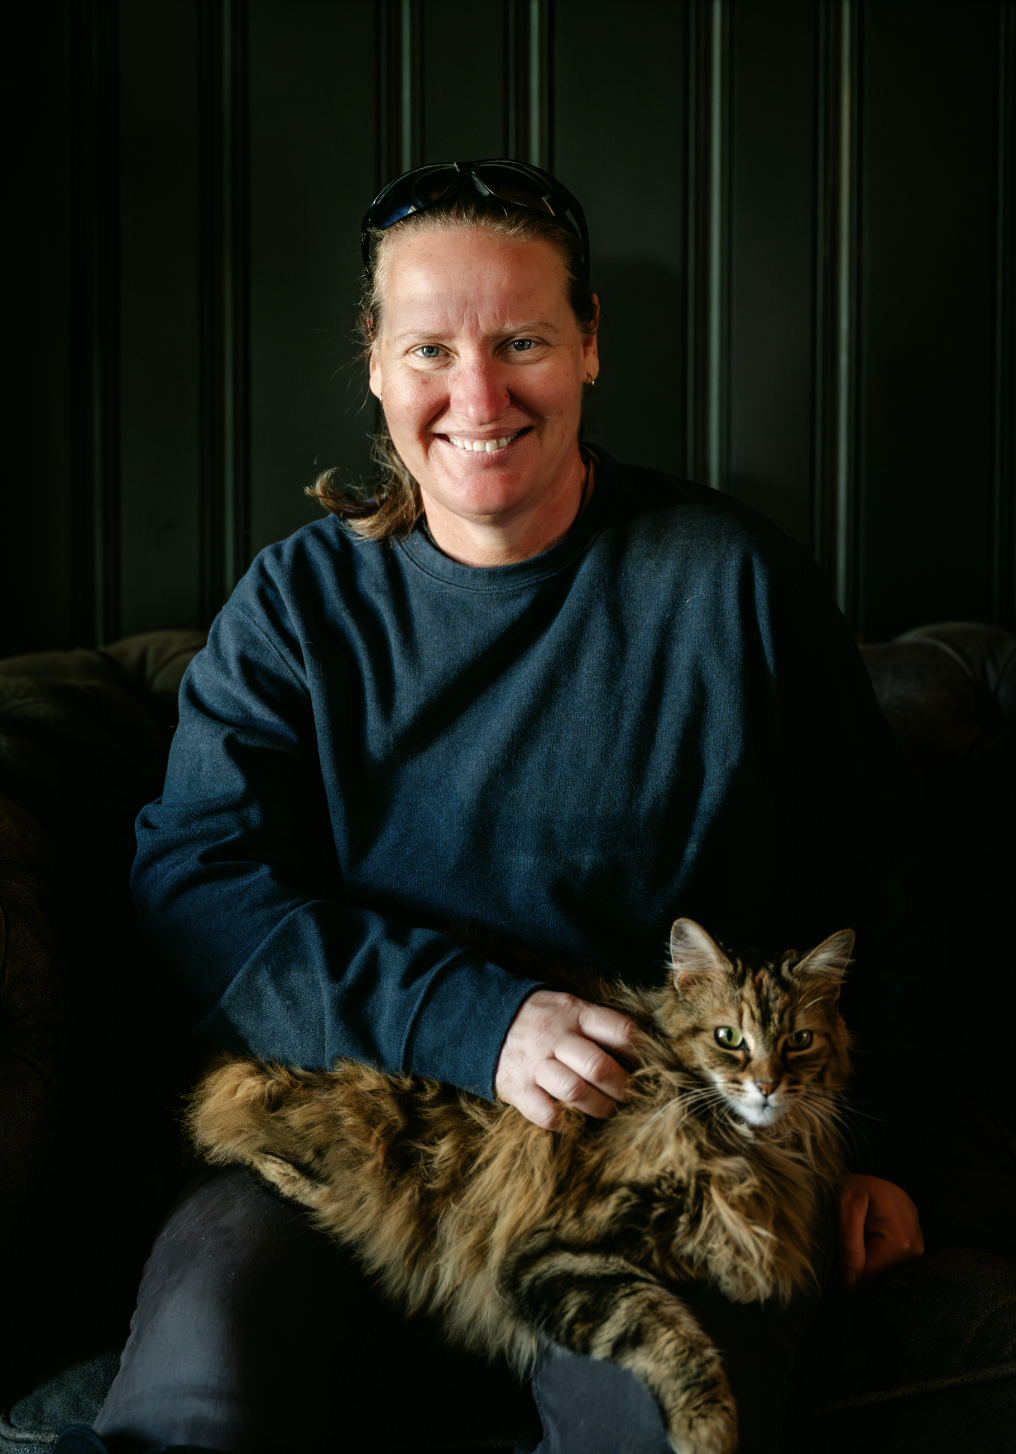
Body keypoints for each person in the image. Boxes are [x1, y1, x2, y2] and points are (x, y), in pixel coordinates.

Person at [60, 160, 931, 1454]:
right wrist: (473, 1018)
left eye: (522, 340)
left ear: (588, 344)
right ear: (373, 361)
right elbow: (197, 894)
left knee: (663, 1429)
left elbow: (878, 881)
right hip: (361, 1141)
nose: (478, 396)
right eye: (430, 348)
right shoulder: (296, 610)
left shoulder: (735, 583)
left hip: (668, 1163)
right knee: (198, 1390)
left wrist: (886, 1143)